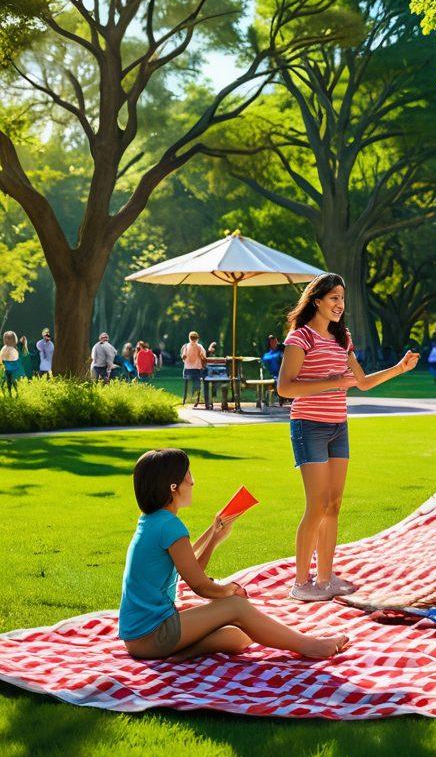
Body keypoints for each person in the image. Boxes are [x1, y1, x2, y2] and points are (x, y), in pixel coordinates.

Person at [119, 448, 348, 661]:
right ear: (173, 487)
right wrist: (231, 591)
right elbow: (201, 586)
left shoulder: (153, 521)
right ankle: (309, 646)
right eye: (187, 475)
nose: (192, 481)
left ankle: (181, 654)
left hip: (139, 638)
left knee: (240, 636)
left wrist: (214, 535)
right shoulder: (170, 526)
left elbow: (190, 567)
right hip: (153, 635)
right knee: (237, 608)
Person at [277, 272, 419, 602]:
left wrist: (399, 368)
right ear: (316, 301)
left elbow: (361, 382)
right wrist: (332, 383)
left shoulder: (343, 338)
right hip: (308, 425)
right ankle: (301, 583)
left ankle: (325, 578)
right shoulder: (301, 338)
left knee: (333, 504)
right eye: (334, 298)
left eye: (342, 299)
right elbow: (285, 388)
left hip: (338, 426)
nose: (340, 305)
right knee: (316, 505)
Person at [180, 331, 207, 406]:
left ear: (189, 338)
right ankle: (196, 400)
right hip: (196, 369)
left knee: (187, 384)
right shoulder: (199, 346)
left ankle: (185, 399)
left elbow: (183, 357)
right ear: (197, 338)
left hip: (187, 370)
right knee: (197, 384)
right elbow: (204, 358)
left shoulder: (185, 346)